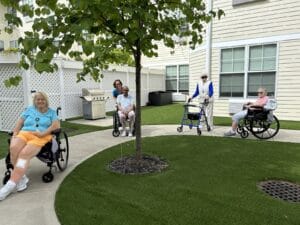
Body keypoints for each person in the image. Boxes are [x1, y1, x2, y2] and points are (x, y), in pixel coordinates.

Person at [0, 92, 60, 201]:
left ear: (46, 100)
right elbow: (19, 122)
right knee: (13, 149)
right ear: (35, 101)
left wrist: (42, 134)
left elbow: (56, 126)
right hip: (24, 133)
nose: (40, 101)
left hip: (40, 137)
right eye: (38, 99)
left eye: (42, 99)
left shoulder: (51, 112)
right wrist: (14, 135)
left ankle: (9, 186)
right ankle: (21, 178)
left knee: (24, 155)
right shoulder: (29, 109)